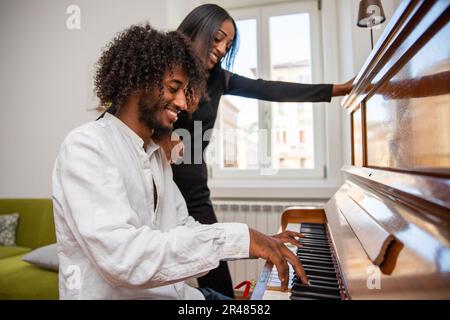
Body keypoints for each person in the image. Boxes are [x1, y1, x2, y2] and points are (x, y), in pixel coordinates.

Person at [53, 24, 308, 300]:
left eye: (184, 91)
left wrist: (255, 241)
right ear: (140, 81)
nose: (183, 103)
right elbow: (124, 259)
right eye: (175, 88)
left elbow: (182, 226)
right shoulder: (87, 147)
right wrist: (240, 238)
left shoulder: (155, 154)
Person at [170, 4, 353, 298]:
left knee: (216, 280)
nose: (220, 49)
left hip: (193, 189)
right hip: (158, 183)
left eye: (227, 44)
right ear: (197, 29)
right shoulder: (162, 67)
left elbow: (270, 88)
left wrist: (336, 89)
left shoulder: (218, 79)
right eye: (217, 38)